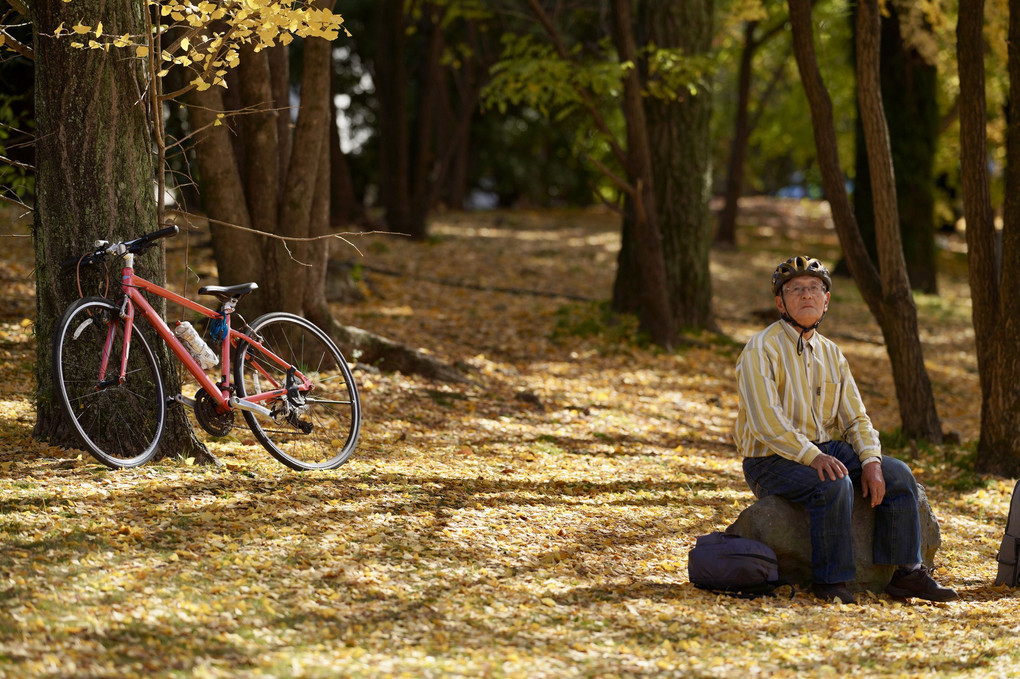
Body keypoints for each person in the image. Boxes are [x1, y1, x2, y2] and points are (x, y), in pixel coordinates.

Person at [733, 255, 958, 604]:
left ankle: (907, 574)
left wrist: (870, 460)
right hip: (770, 460)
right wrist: (812, 456)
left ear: (826, 300)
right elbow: (767, 422)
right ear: (780, 302)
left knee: (897, 474)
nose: (806, 295)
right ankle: (831, 582)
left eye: (814, 288)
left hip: (825, 448)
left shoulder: (832, 353)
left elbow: (856, 419)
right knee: (833, 483)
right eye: (795, 290)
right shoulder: (759, 349)